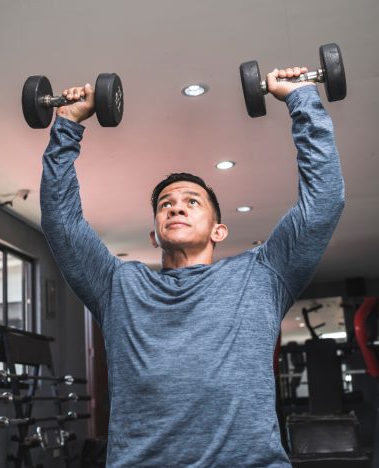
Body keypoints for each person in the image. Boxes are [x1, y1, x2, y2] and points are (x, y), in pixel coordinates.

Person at [40, 66, 345, 467]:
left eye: (192, 201)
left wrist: (302, 98)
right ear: (154, 235)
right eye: (165, 204)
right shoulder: (118, 286)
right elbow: (61, 222)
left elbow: (323, 204)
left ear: (219, 231)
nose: (177, 205)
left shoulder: (262, 275)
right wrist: (66, 126)